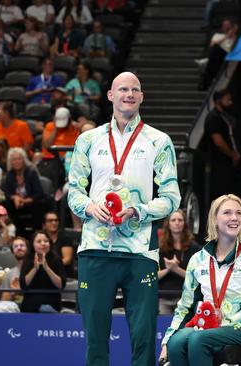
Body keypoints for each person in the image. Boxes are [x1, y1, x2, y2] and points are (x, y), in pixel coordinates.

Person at [67, 71, 181, 366]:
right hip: (95, 248)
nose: (129, 94)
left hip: (140, 250)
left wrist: (139, 210)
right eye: (122, 89)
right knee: (95, 337)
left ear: (141, 96)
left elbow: (171, 197)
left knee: (143, 336)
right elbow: (74, 192)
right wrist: (91, 209)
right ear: (110, 95)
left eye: (135, 90)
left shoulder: (159, 141)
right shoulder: (88, 140)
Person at [160, 194, 241, 366]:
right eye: (227, 213)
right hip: (206, 326)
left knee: (198, 340)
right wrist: (166, 341)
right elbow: (184, 306)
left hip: (240, 326)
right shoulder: (198, 260)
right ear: (214, 219)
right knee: (176, 343)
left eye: (239, 213)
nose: (234, 217)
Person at [157, 209, 201, 314]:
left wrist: (176, 269)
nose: (177, 223)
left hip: (185, 298)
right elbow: (152, 276)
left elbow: (197, 278)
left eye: (180, 220)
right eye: (173, 220)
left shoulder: (194, 248)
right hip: (163, 297)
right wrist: (168, 269)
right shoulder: (160, 247)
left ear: (185, 223)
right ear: (168, 224)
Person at [206, 89, 241, 201]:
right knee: (220, 195)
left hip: (228, 163)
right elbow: (218, 142)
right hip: (218, 163)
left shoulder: (225, 116)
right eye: (227, 99)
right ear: (218, 100)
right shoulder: (213, 117)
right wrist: (232, 154)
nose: (230, 102)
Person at [2, 147, 47, 233]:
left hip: (31, 203)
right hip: (17, 205)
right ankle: (15, 231)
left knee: (39, 204)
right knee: (5, 203)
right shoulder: (9, 175)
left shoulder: (31, 173)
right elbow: (7, 193)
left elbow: (38, 192)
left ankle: (36, 232)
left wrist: (25, 200)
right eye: (14, 159)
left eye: (19, 159)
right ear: (11, 162)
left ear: (24, 160)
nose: (17, 162)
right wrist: (15, 197)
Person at [19, 230, 66, 312]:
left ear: (50, 243)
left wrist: (47, 268)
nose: (43, 243)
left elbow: (61, 285)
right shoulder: (28, 260)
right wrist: (35, 269)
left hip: (52, 304)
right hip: (30, 305)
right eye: (39, 241)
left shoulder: (56, 259)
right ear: (33, 244)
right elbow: (23, 285)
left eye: (46, 241)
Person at [38, 107, 79, 197]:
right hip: (50, 159)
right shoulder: (50, 126)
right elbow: (47, 145)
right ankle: (56, 191)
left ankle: (61, 191)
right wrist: (55, 129)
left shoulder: (74, 129)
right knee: (55, 169)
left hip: (68, 160)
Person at [0, 236, 27, 312]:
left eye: (22, 245)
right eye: (15, 246)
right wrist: (14, 292)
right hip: (14, 311)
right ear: (12, 251)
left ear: (28, 249)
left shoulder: (36, 270)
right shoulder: (9, 274)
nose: (19, 248)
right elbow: (4, 300)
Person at [42, 211, 76, 278]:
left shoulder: (65, 238)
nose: (54, 223)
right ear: (44, 225)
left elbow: (67, 260)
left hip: (63, 274)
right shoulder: (41, 239)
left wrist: (48, 267)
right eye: (50, 220)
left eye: (56, 220)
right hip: (44, 273)